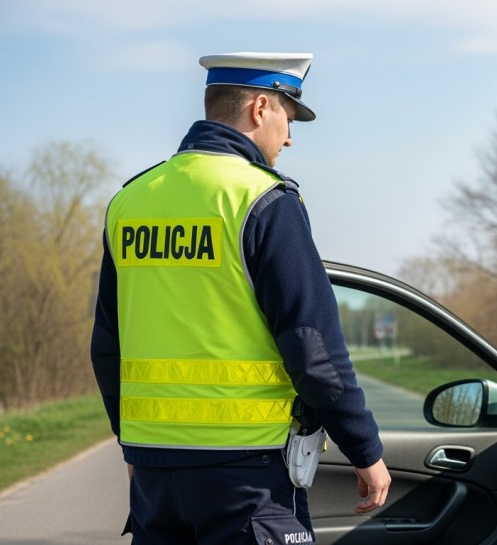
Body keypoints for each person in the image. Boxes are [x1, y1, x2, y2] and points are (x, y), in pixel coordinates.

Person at [90, 51, 391, 544]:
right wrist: (365, 450)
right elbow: (312, 349)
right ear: (260, 108)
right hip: (248, 478)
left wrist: (134, 444)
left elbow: (108, 346)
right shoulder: (263, 199)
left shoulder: (130, 200)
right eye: (288, 117)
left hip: (153, 479)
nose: (289, 137)